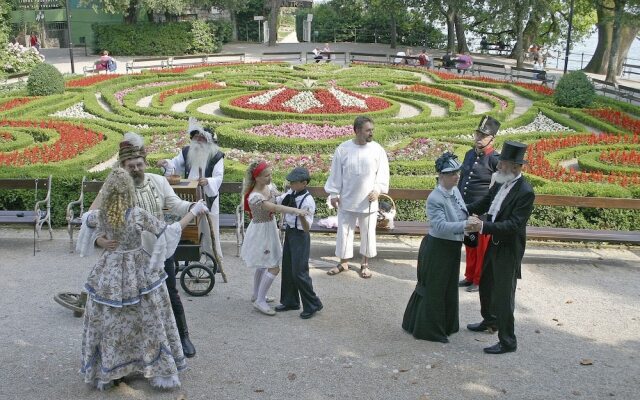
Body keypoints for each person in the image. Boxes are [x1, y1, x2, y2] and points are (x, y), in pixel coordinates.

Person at [77, 168, 209, 390]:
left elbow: (84, 221)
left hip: (109, 272)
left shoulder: (101, 215)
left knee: (113, 322)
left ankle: (111, 368)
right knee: (149, 317)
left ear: (107, 192)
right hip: (139, 270)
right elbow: (168, 231)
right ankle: (159, 368)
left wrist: (101, 240)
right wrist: (194, 212)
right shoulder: (136, 213)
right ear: (130, 191)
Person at [90, 132, 198, 358]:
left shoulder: (158, 181)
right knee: (132, 304)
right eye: (131, 166)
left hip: (159, 251)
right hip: (128, 258)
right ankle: (138, 349)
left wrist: (192, 207)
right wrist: (99, 240)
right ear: (122, 166)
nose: (136, 169)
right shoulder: (115, 186)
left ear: (145, 163)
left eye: (139, 164)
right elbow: (92, 216)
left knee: (170, 293)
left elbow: (175, 205)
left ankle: (182, 336)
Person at [465, 141, 536, 354]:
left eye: (503, 163)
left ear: (515, 167)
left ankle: (508, 341)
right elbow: (485, 202)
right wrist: (460, 208)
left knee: (504, 295)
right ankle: (490, 321)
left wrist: (484, 226)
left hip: (508, 248)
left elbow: (514, 225)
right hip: (494, 242)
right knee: (486, 284)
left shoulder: (525, 191)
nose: (498, 166)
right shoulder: (500, 182)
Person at [402, 152, 478, 343]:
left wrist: (469, 221)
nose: (457, 176)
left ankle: (446, 325)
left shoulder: (455, 190)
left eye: (457, 172)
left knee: (448, 287)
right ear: (441, 176)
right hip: (438, 248)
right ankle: (429, 330)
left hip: (452, 248)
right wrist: (466, 225)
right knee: (435, 288)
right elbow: (440, 226)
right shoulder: (435, 198)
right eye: (452, 173)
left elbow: (461, 212)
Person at [240, 161, 309, 316]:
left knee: (263, 265)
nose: (270, 177)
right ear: (257, 178)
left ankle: (257, 294)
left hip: (269, 228)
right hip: (261, 231)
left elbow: (279, 198)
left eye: (270, 174)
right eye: (266, 175)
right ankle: (260, 301)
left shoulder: (269, 187)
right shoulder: (254, 197)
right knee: (273, 266)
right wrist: (296, 211)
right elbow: (275, 208)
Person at [324, 116, 390, 279]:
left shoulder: (377, 150)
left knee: (368, 233)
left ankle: (365, 264)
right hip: (347, 199)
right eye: (368, 130)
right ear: (357, 130)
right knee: (344, 232)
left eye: (372, 130)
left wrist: (377, 189)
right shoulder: (343, 149)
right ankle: (343, 262)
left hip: (369, 200)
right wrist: (333, 193)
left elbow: (382, 174)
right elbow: (336, 174)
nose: (371, 133)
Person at [157, 117, 224, 262]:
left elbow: (218, 177)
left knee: (209, 228)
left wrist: (208, 181)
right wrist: (166, 163)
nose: (198, 141)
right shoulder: (187, 151)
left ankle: (214, 258)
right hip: (190, 196)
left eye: (202, 138)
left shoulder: (217, 156)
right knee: (193, 228)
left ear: (209, 141)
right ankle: (193, 257)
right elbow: (175, 164)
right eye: (196, 138)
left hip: (208, 196)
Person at [457, 116, 501, 293]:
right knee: (470, 245)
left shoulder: (496, 160)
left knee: (482, 249)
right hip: (467, 208)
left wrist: (485, 211)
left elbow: (497, 188)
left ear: (492, 139)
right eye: (478, 134)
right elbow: (463, 181)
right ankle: (469, 276)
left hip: (483, 211)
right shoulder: (469, 154)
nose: (479, 138)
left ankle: (479, 279)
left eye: (484, 135)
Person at [274, 167, 323, 319]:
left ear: (304, 183)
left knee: (299, 271)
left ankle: (313, 303)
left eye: (294, 183)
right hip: (290, 232)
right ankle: (290, 301)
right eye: (290, 182)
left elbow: (307, 228)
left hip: (301, 236)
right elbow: (279, 201)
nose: (291, 185)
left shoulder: (308, 201)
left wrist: (300, 213)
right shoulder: (292, 192)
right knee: (288, 268)